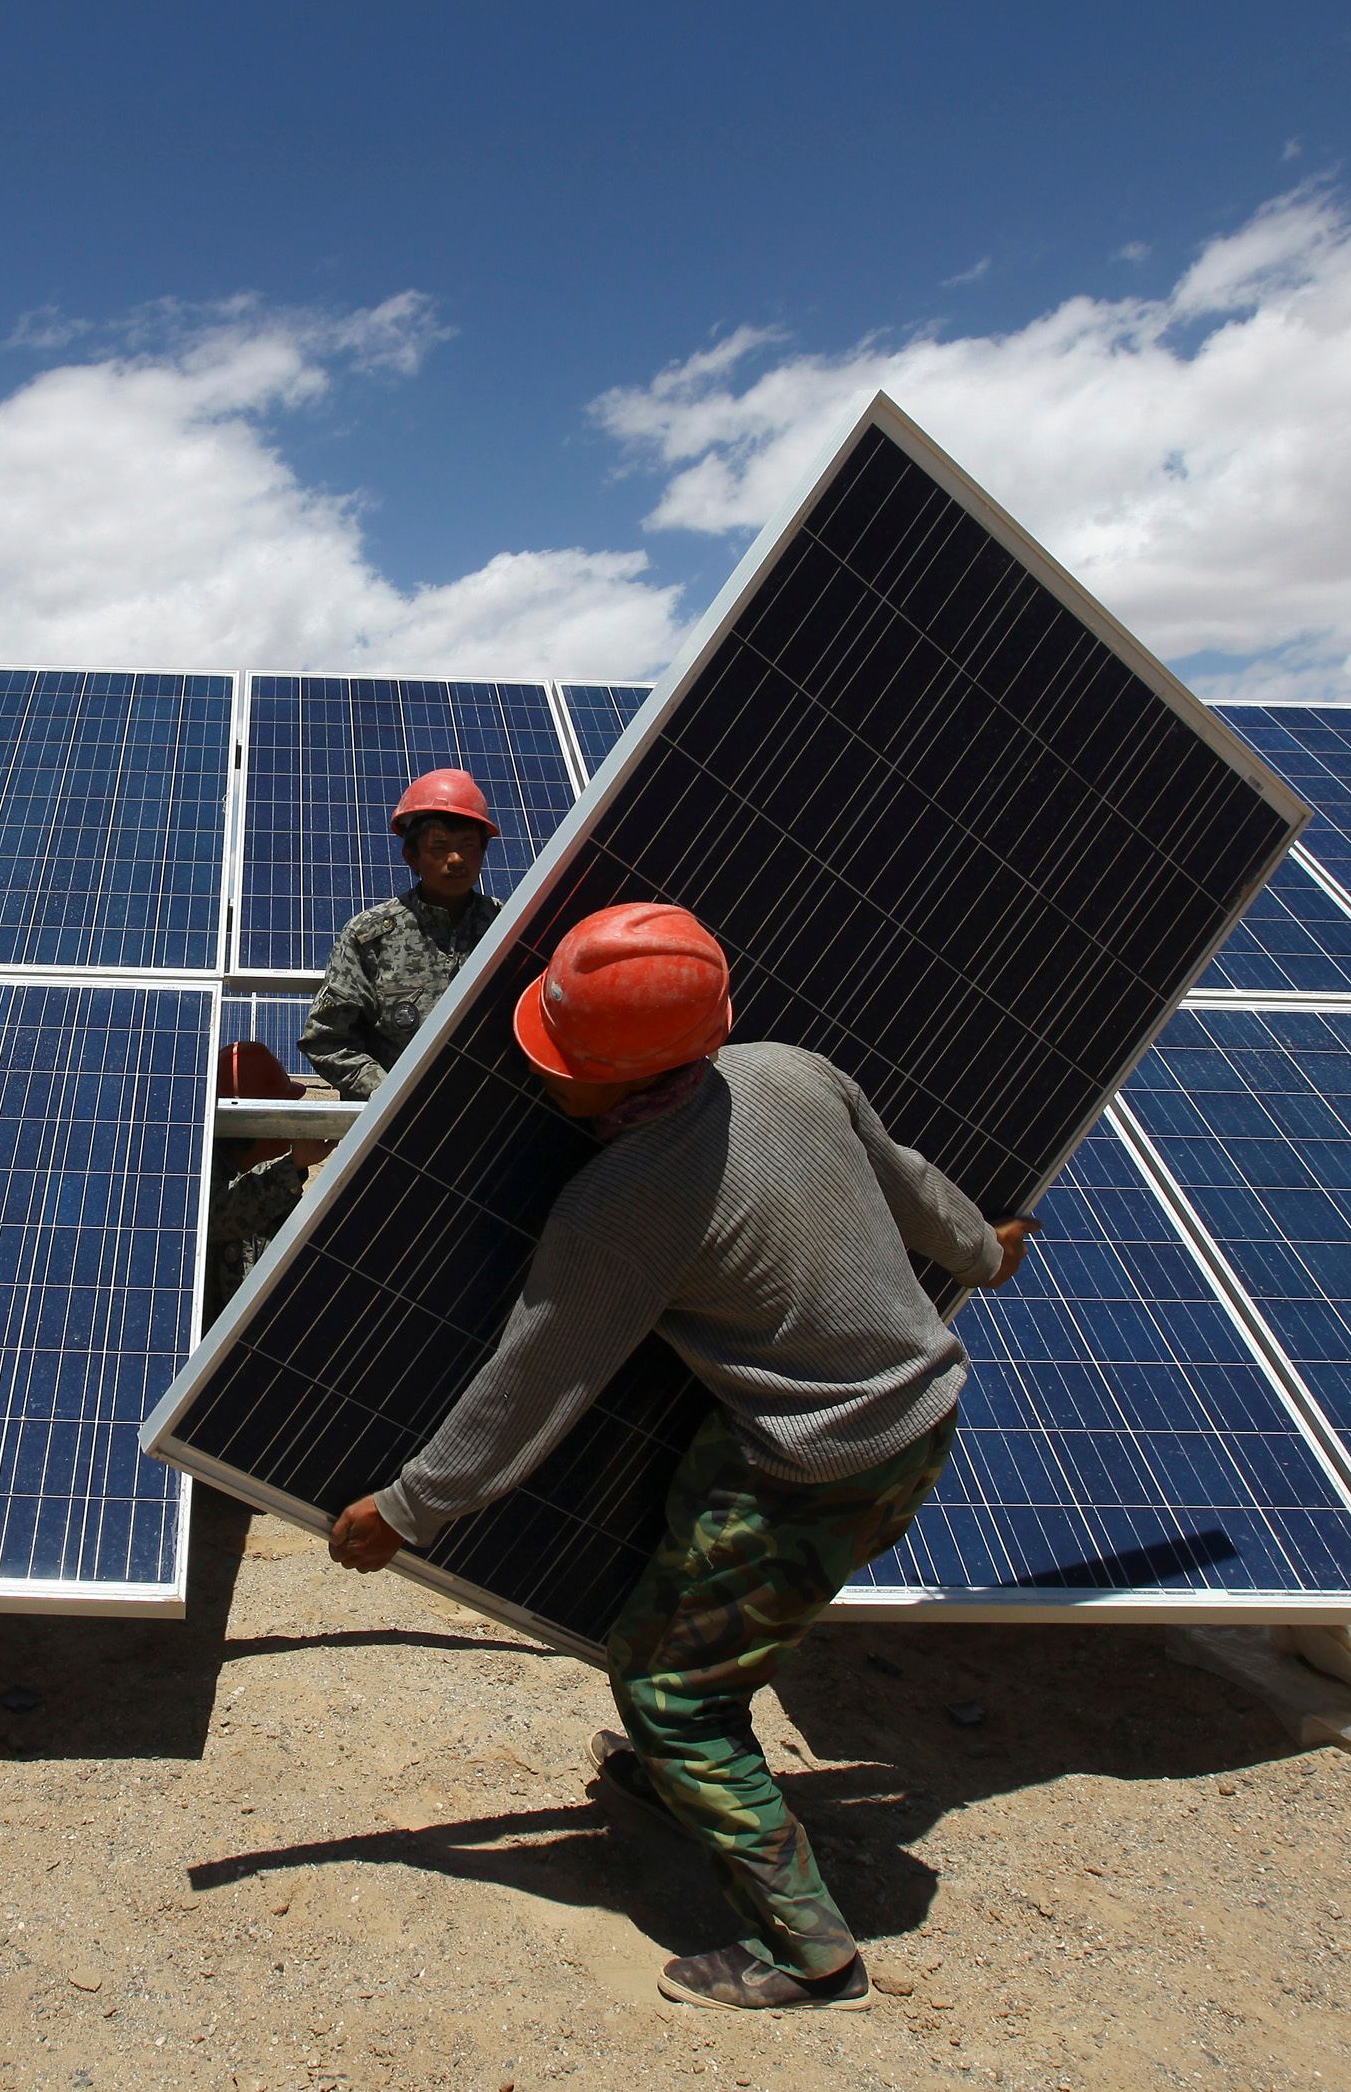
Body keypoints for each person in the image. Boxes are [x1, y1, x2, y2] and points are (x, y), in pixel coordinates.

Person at [324, 902, 1038, 2013]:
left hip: (817, 1463)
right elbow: (907, 1185)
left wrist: (408, 1511)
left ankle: (811, 1957)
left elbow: (534, 1379)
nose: (540, 1073)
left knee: (665, 1690)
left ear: (618, 1074)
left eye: (563, 1059)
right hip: (914, 1416)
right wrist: (979, 1256)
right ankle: (690, 1774)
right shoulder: (788, 1070)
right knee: (693, 1601)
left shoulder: (624, 1197)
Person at [303, 769, 502, 1102]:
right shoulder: (369, 936)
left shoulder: (510, 927)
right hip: (399, 1134)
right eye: (440, 847)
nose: (456, 859)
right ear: (412, 856)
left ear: (482, 852)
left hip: (498, 1118)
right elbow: (327, 1039)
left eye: (468, 846)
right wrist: (390, 1095)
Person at [205, 1039, 324, 1323]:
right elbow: (220, 1217)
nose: (288, 1122)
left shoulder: (267, 1182)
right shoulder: (195, 1173)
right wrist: (292, 1165)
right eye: (280, 1113)